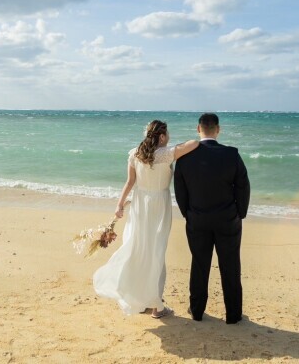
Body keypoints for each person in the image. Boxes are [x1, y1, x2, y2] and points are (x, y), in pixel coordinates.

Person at [93, 120, 199, 319]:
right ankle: (157, 307)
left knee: (138, 248)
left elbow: (130, 182)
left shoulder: (135, 153)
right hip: (159, 204)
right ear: (161, 136)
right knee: (156, 251)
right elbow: (194, 143)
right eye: (167, 134)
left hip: (140, 204)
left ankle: (138, 301)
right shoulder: (166, 153)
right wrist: (175, 145)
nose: (169, 137)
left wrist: (119, 205)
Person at [174, 113, 250, 324]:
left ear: (198, 129)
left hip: (197, 219)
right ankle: (233, 316)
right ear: (218, 129)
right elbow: (243, 186)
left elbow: (180, 190)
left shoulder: (184, 157)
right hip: (227, 219)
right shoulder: (231, 154)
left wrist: (188, 213)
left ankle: (197, 311)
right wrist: (240, 213)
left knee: (199, 264)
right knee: (231, 265)